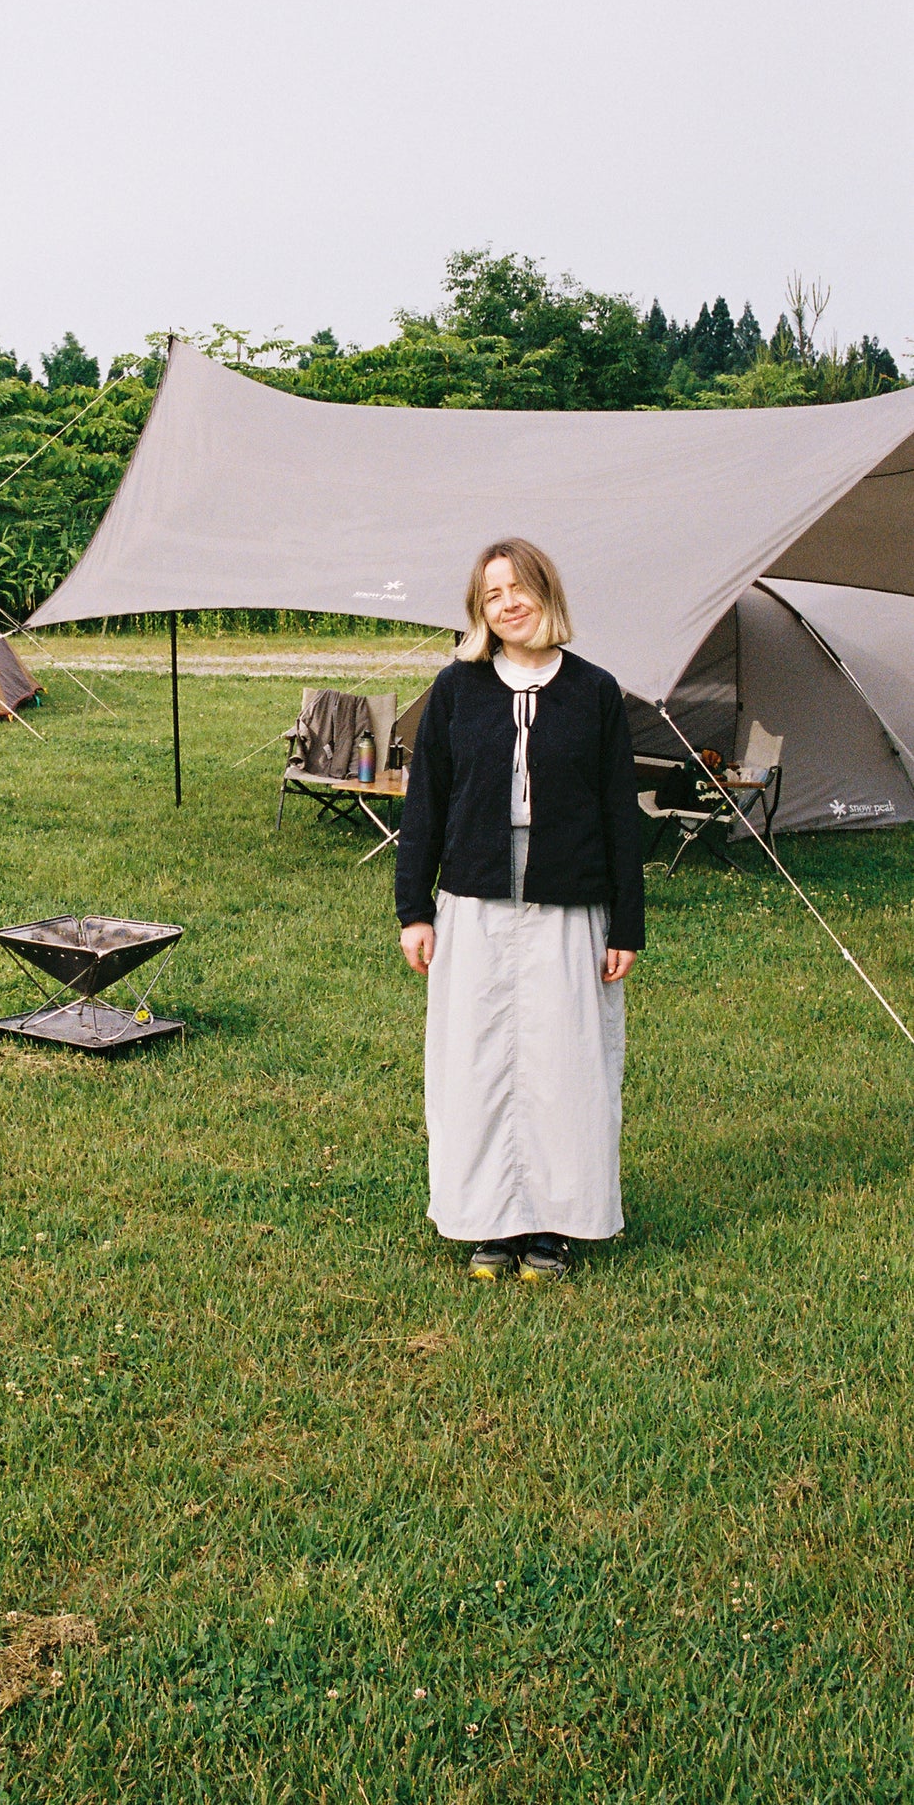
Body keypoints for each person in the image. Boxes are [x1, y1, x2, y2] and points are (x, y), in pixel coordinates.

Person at [395, 539, 644, 1283]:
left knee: (563, 1069)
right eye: (490, 593)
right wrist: (415, 908)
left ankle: (551, 1225)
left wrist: (625, 924)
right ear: (480, 610)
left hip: (569, 909)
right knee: (473, 1065)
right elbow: (426, 804)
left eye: (517, 587)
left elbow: (617, 814)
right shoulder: (456, 689)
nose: (506, 602)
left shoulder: (595, 692)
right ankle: (485, 1221)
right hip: (472, 906)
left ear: (544, 592)